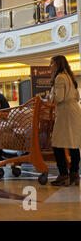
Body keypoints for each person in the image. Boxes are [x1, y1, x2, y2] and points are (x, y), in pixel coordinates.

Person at [48, 55, 81, 186]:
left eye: (52, 64)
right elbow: (77, 97)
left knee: (57, 143)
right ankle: (74, 173)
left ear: (57, 64)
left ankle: (63, 175)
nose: (50, 66)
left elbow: (59, 98)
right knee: (73, 143)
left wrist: (50, 96)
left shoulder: (60, 77)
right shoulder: (70, 77)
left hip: (65, 112)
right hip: (74, 111)